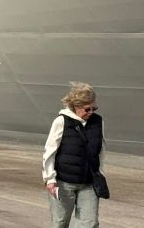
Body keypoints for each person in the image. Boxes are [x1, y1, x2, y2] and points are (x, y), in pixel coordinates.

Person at [42, 82, 105, 228]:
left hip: (89, 183)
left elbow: (101, 150)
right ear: (76, 106)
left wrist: (100, 173)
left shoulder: (98, 122)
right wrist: (49, 179)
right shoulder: (61, 121)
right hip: (64, 182)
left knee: (90, 223)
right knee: (60, 223)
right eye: (87, 109)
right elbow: (50, 151)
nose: (91, 112)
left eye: (94, 108)